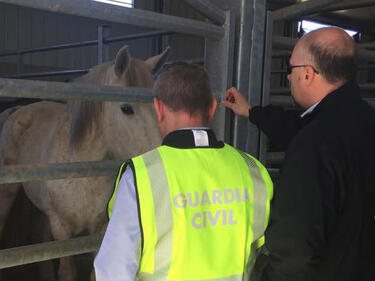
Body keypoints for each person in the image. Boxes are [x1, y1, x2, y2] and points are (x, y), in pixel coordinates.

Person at [94, 62, 273, 281]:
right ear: (213, 108)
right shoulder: (253, 170)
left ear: (158, 108)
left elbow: (114, 271)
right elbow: (263, 248)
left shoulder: (141, 177)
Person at [223, 27, 375, 281]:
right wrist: (252, 112)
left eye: (290, 69)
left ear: (307, 74)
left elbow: (295, 252)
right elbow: (300, 126)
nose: (288, 77)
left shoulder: (315, 143)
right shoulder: (363, 120)